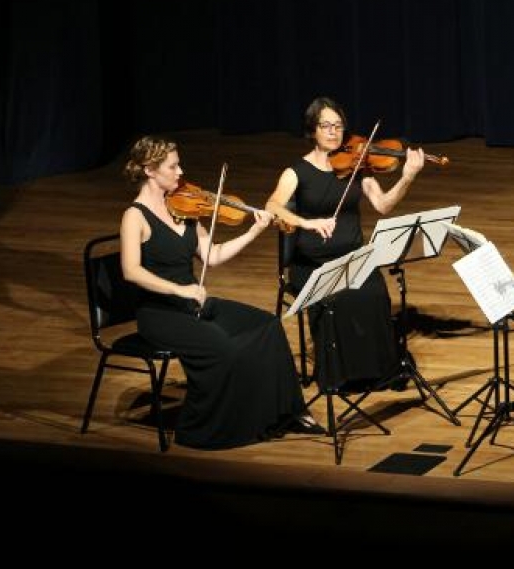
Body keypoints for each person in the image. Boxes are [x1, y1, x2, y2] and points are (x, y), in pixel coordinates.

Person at [120, 135, 324, 450]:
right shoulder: (134, 216)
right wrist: (180, 288)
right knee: (223, 350)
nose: (180, 171)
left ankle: (288, 412)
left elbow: (212, 256)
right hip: (159, 314)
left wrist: (254, 231)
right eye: (173, 166)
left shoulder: (183, 207)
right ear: (150, 169)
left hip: (191, 303)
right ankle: (205, 428)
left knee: (267, 325)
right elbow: (131, 271)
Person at [265, 96, 426, 393]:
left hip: (353, 257)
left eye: (338, 126)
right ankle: (342, 376)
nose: (333, 132)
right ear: (312, 130)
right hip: (311, 264)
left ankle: (377, 373)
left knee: (374, 293)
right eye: (326, 126)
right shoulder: (296, 172)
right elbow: (273, 206)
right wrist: (307, 223)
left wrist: (407, 177)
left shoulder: (357, 166)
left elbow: (383, 205)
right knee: (336, 301)